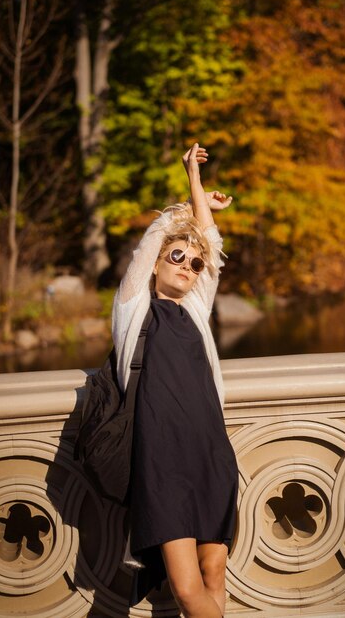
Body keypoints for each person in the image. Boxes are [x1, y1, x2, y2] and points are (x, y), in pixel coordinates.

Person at [112, 142, 239, 617]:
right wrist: (187, 200)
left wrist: (198, 189)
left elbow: (212, 243)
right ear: (159, 261)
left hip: (210, 452)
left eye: (194, 263)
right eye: (177, 257)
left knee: (213, 577)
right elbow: (149, 246)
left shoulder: (195, 309)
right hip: (161, 463)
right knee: (187, 590)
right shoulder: (134, 308)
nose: (187, 266)